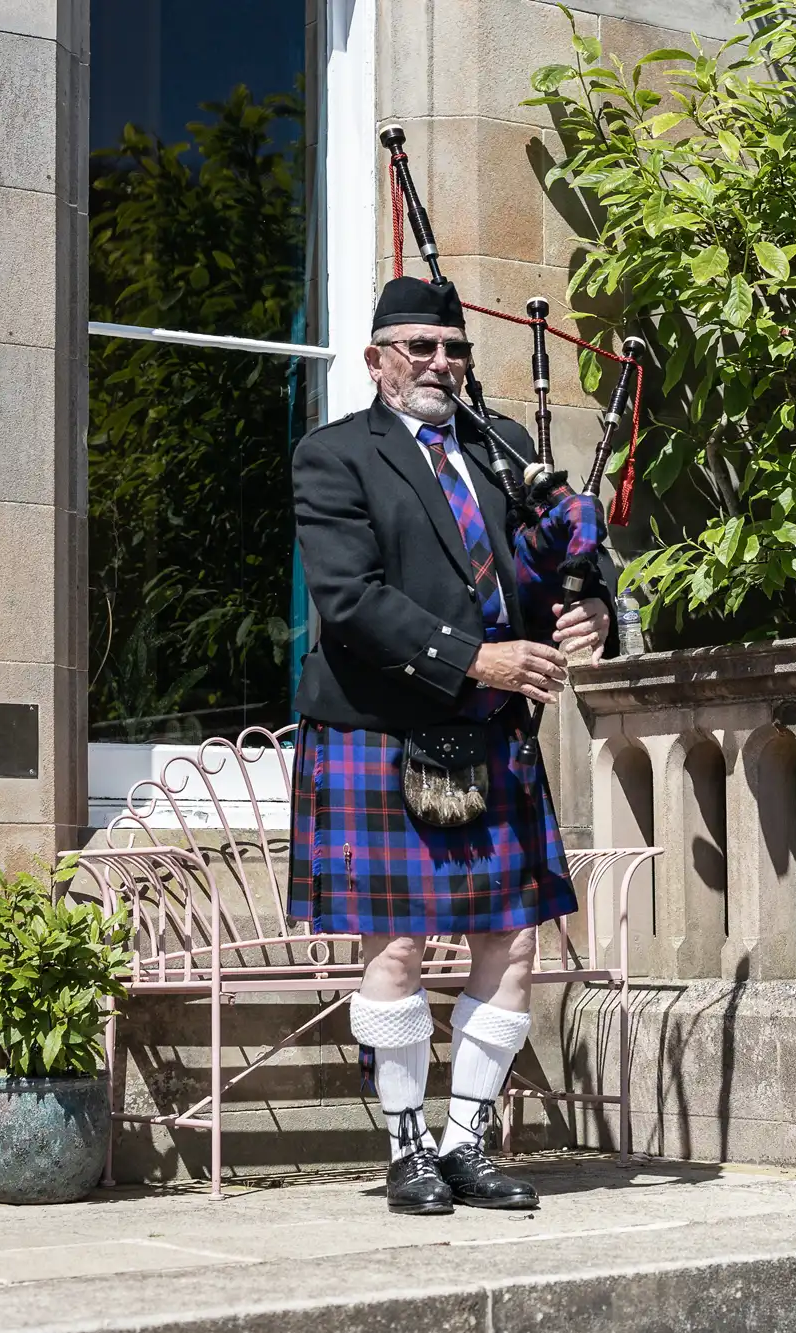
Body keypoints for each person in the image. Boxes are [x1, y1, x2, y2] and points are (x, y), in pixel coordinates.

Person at [288, 275, 615, 1215]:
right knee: (396, 944)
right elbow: (350, 604)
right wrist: (481, 659)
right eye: (421, 346)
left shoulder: (502, 449)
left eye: (455, 348)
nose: (441, 363)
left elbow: (567, 560)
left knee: (511, 945)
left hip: (488, 736)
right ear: (378, 359)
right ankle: (407, 1148)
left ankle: (467, 1141)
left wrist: (591, 607)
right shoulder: (335, 456)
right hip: (382, 727)